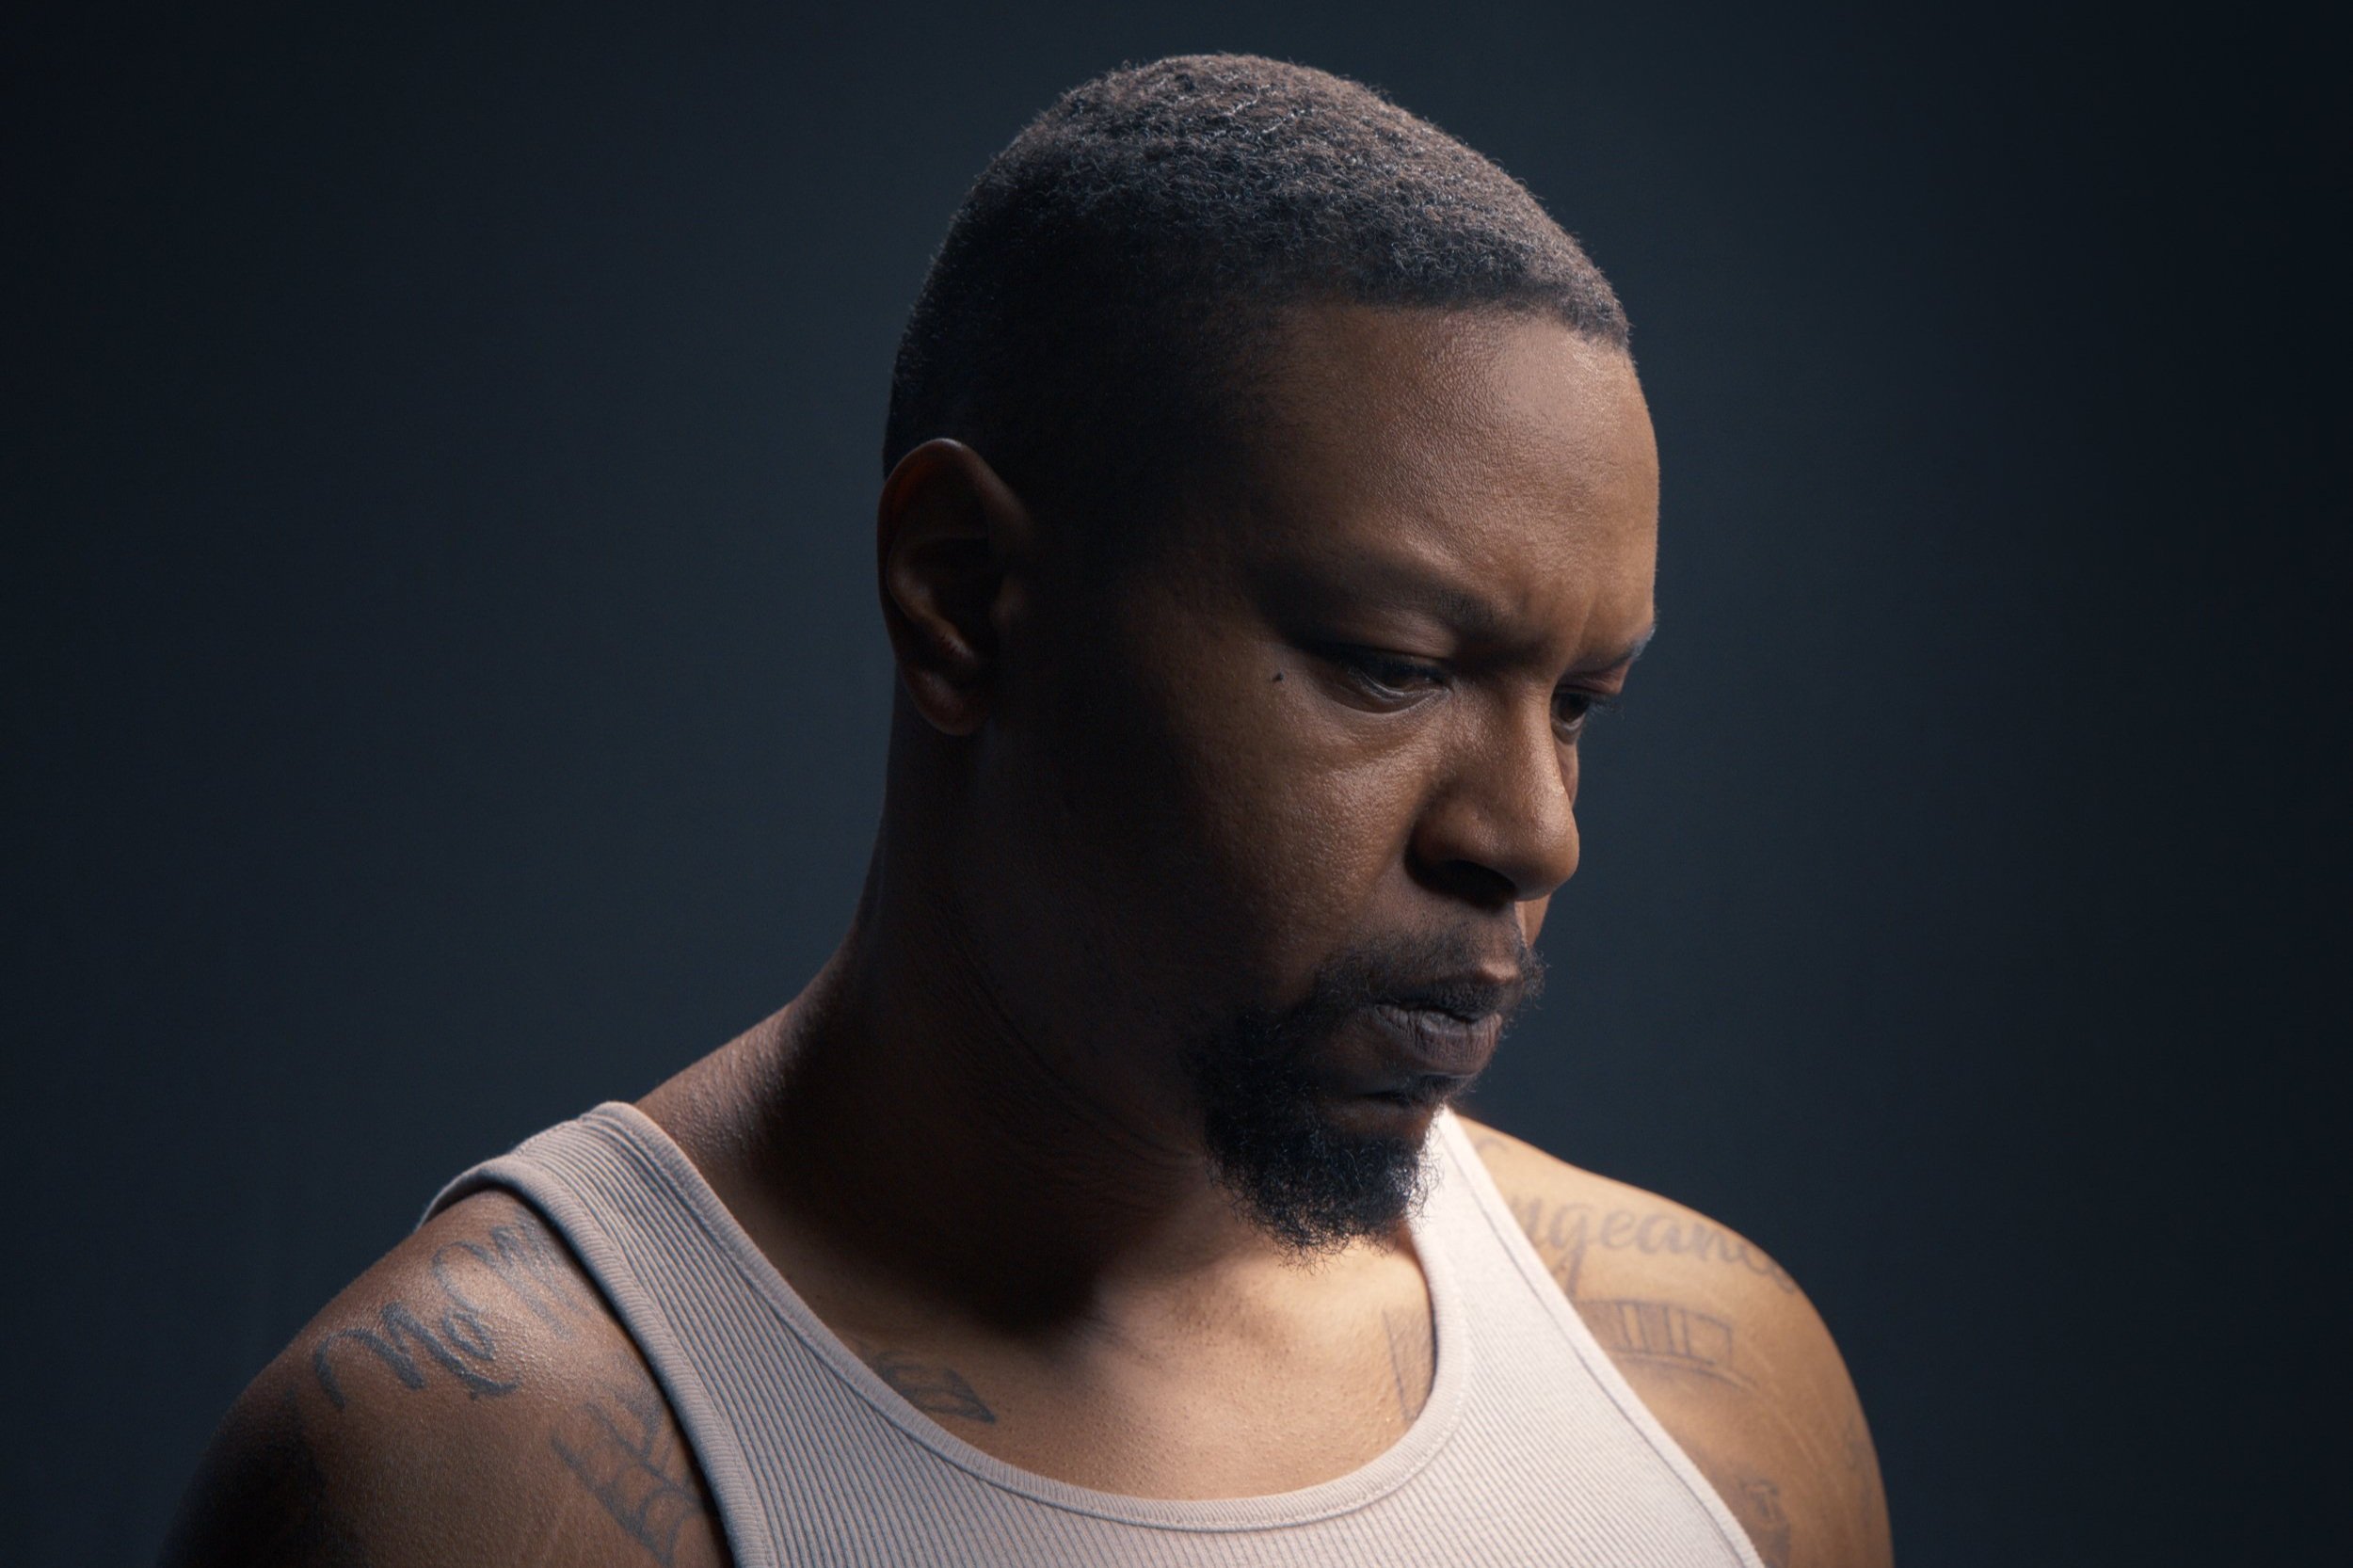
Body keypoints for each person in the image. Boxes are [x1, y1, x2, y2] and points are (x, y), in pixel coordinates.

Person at [163, 54, 1892, 1568]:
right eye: (1390, 663)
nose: (1530, 834)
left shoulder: (1712, 1400)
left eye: (1578, 706)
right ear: (966, 596)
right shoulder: (475, 1470)